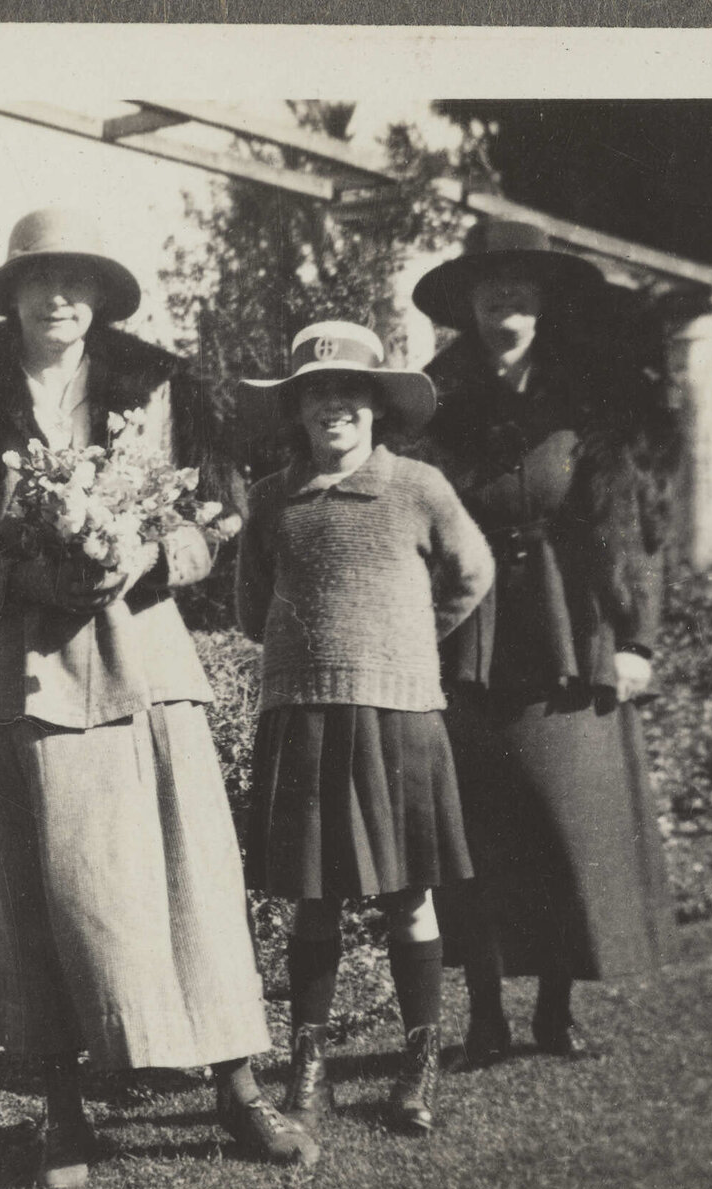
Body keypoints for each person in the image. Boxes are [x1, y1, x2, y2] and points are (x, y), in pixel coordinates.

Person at [0, 208, 316, 1189]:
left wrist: (150, 554)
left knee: (190, 877)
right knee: (46, 895)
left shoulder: (153, 389)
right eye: (40, 278)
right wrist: (16, 581)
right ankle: (60, 1113)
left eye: (77, 279)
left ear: (102, 295)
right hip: (22, 679)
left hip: (145, 662)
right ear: (12, 293)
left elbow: (217, 515)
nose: (59, 295)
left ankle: (237, 1089)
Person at [406, 219, 676, 1065]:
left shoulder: (596, 396)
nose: (507, 305)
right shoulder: (433, 399)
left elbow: (636, 530)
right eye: (492, 292)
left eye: (522, 290)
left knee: (565, 826)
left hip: (572, 631)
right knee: (479, 831)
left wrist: (638, 643)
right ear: (470, 305)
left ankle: (554, 1013)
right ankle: (485, 1020)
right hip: (467, 635)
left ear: (544, 302)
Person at [235, 321, 494, 1135]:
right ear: (299, 409)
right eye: (316, 391)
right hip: (302, 713)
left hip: (399, 714)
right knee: (313, 897)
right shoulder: (273, 499)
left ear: (378, 406)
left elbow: (472, 573)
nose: (333, 404)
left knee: (407, 893)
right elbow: (249, 605)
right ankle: (308, 1067)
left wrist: (408, 643)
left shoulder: (419, 487)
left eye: (350, 390)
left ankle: (417, 1068)